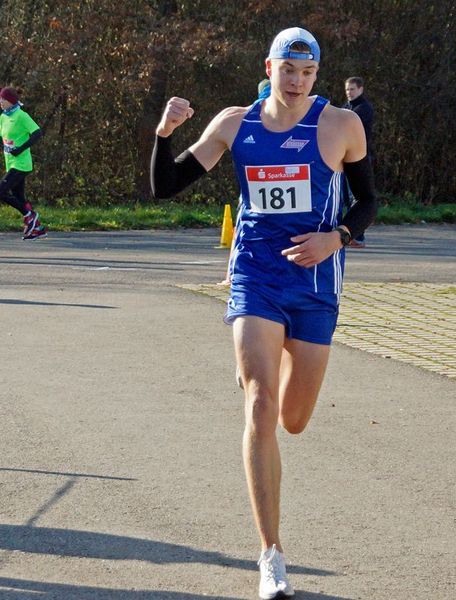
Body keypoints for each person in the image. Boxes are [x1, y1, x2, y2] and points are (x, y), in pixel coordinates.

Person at [151, 26, 377, 599]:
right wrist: (164, 132)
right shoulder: (234, 123)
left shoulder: (341, 125)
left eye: (308, 72)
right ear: (269, 67)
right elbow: (167, 185)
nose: (298, 81)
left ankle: (267, 369)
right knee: (259, 403)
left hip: (316, 285)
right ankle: (271, 556)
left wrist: (338, 237)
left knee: (293, 421)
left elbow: (369, 199)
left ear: (316, 76)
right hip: (255, 275)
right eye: (288, 69)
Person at [0, 87, 46, 240]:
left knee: (1, 191)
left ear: (11, 101)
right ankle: (37, 228)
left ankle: (30, 215)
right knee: (18, 197)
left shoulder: (21, 116)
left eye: (3, 100)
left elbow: (37, 133)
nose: (0, 102)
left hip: (21, 163)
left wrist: (20, 149)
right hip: (11, 163)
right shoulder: (3, 117)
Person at [342, 76, 375, 248]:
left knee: (358, 198)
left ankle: (358, 236)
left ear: (361, 89)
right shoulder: (347, 108)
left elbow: (347, 127)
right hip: (343, 158)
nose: (349, 93)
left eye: (352, 89)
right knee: (345, 198)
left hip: (359, 158)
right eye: (347, 89)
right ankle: (350, 232)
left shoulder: (364, 109)